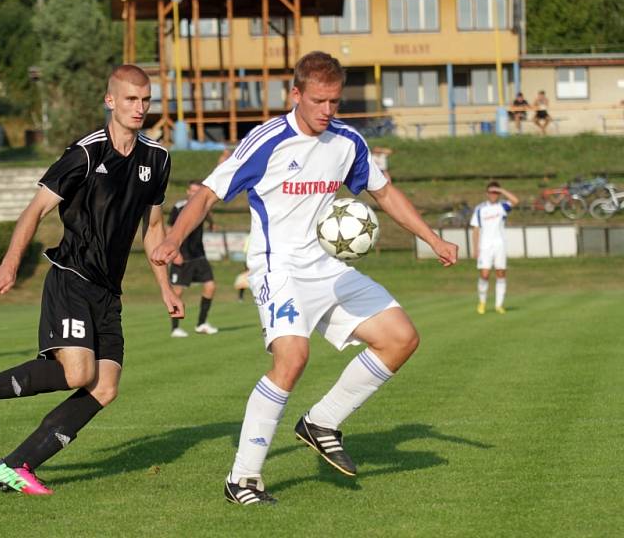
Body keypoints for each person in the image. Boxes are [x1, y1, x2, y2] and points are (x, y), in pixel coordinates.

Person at [151, 51, 458, 505]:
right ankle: (243, 479)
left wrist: (433, 239)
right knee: (292, 358)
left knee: (401, 338)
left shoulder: (348, 142)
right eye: (318, 101)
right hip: (279, 267)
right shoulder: (267, 141)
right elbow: (209, 193)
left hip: (327, 267)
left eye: (335, 101)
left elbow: (385, 192)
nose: (327, 111)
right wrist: (175, 236)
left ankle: (321, 422)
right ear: (295, 94)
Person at [0, 65, 184, 495]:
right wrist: (10, 264)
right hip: (71, 276)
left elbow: (155, 228)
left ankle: (16, 465)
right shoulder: (86, 153)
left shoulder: (157, 159)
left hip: (109, 290)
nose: (140, 107)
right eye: (130, 99)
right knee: (76, 373)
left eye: (145, 100)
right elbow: (34, 211)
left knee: (105, 387)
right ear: (110, 101)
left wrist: (166, 287)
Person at [168, 180, 219, 337]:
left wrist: (211, 223)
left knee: (210, 286)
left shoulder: (203, 205)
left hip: (199, 255)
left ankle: (201, 324)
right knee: (177, 292)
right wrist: (174, 253)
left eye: (199, 191)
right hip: (182, 256)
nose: (195, 194)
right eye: (193, 191)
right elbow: (169, 229)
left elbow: (208, 213)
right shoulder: (179, 208)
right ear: (187, 191)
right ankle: (175, 328)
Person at [470, 181, 519, 315]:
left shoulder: (502, 206)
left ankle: (499, 305)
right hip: (485, 246)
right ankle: (482, 302)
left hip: (500, 245)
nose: (493, 195)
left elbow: (515, 200)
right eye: (491, 192)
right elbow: (475, 229)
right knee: (484, 274)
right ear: (487, 193)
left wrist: (501, 190)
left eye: (496, 193)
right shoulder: (480, 209)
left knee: (501, 273)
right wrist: (475, 248)